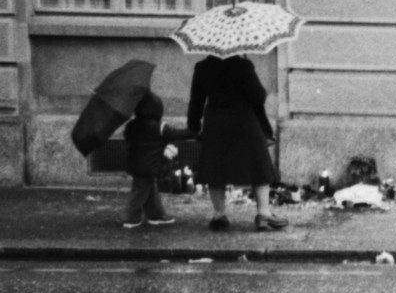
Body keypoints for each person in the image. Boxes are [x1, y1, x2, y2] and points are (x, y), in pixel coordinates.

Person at [188, 54, 286, 231]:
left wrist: (193, 126)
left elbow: (196, 101)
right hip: (244, 122)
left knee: (215, 169)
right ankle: (264, 214)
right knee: (259, 166)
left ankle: (219, 216)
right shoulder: (243, 65)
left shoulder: (202, 67)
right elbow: (258, 96)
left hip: (216, 123)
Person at [120, 91, 187, 230]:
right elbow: (175, 133)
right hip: (148, 166)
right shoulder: (158, 127)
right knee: (140, 191)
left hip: (135, 165)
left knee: (150, 189)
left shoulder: (131, 126)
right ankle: (131, 217)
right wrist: (195, 132)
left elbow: (128, 138)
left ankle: (155, 215)